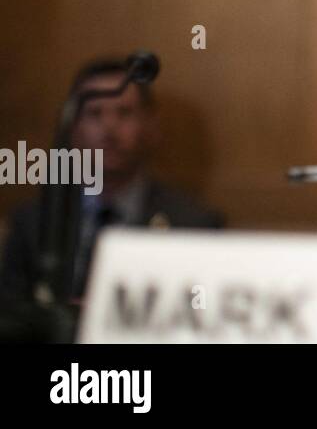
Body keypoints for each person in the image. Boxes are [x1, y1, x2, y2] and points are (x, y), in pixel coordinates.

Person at [0, 56, 223, 305]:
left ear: (150, 127)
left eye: (124, 113)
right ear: (73, 129)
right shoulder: (33, 224)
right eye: (95, 114)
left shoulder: (193, 225)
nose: (109, 128)